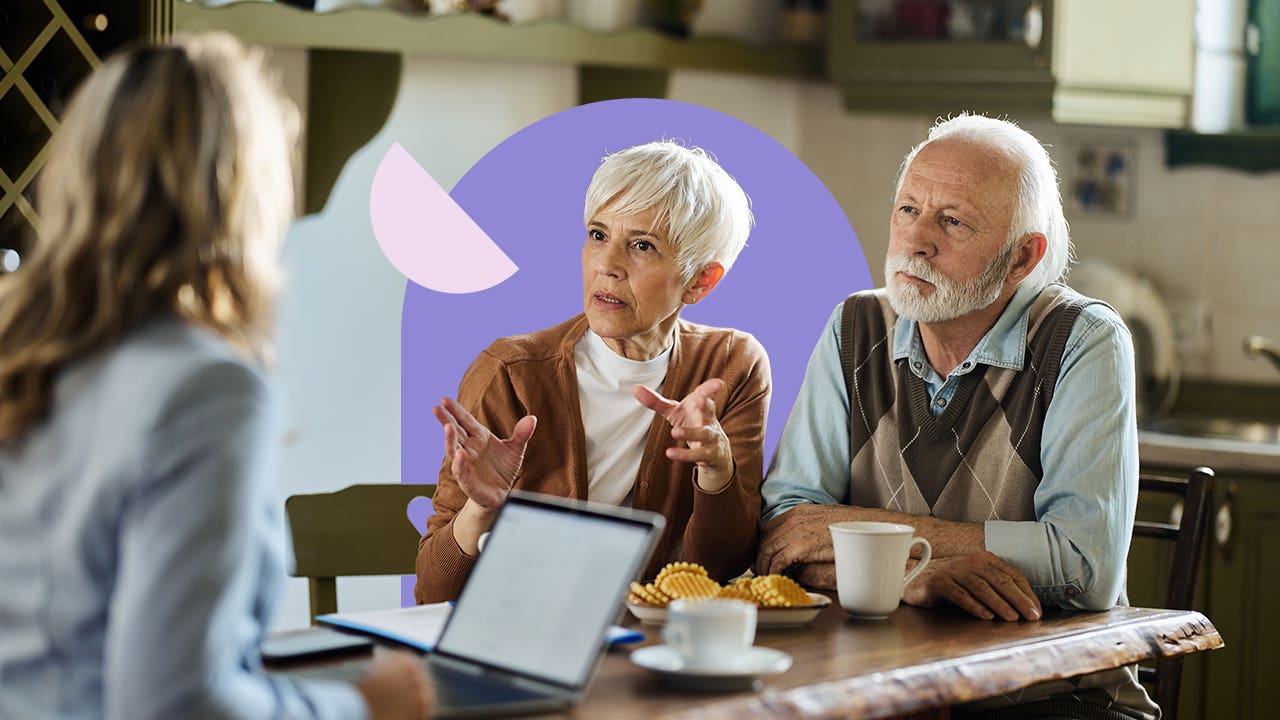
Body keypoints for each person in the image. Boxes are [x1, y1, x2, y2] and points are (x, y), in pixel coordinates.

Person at [0, 35, 433, 720]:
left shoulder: (20, 350)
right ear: (243, 189)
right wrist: (361, 708)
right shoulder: (205, 390)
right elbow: (174, 703)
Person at [756, 115, 1157, 719]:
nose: (916, 240)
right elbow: (787, 532)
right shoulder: (854, 327)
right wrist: (908, 578)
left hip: (1051, 700)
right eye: (907, 209)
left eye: (952, 221)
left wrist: (895, 546)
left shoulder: (1085, 341)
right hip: (879, 689)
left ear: (1022, 257)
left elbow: (1084, 565)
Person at [415, 141, 769, 603]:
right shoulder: (510, 373)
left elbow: (718, 569)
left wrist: (717, 471)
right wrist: (480, 511)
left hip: (649, 650)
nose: (607, 265)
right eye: (598, 235)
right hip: (522, 640)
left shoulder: (731, 364)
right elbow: (432, 593)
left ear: (701, 280)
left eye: (642, 245)